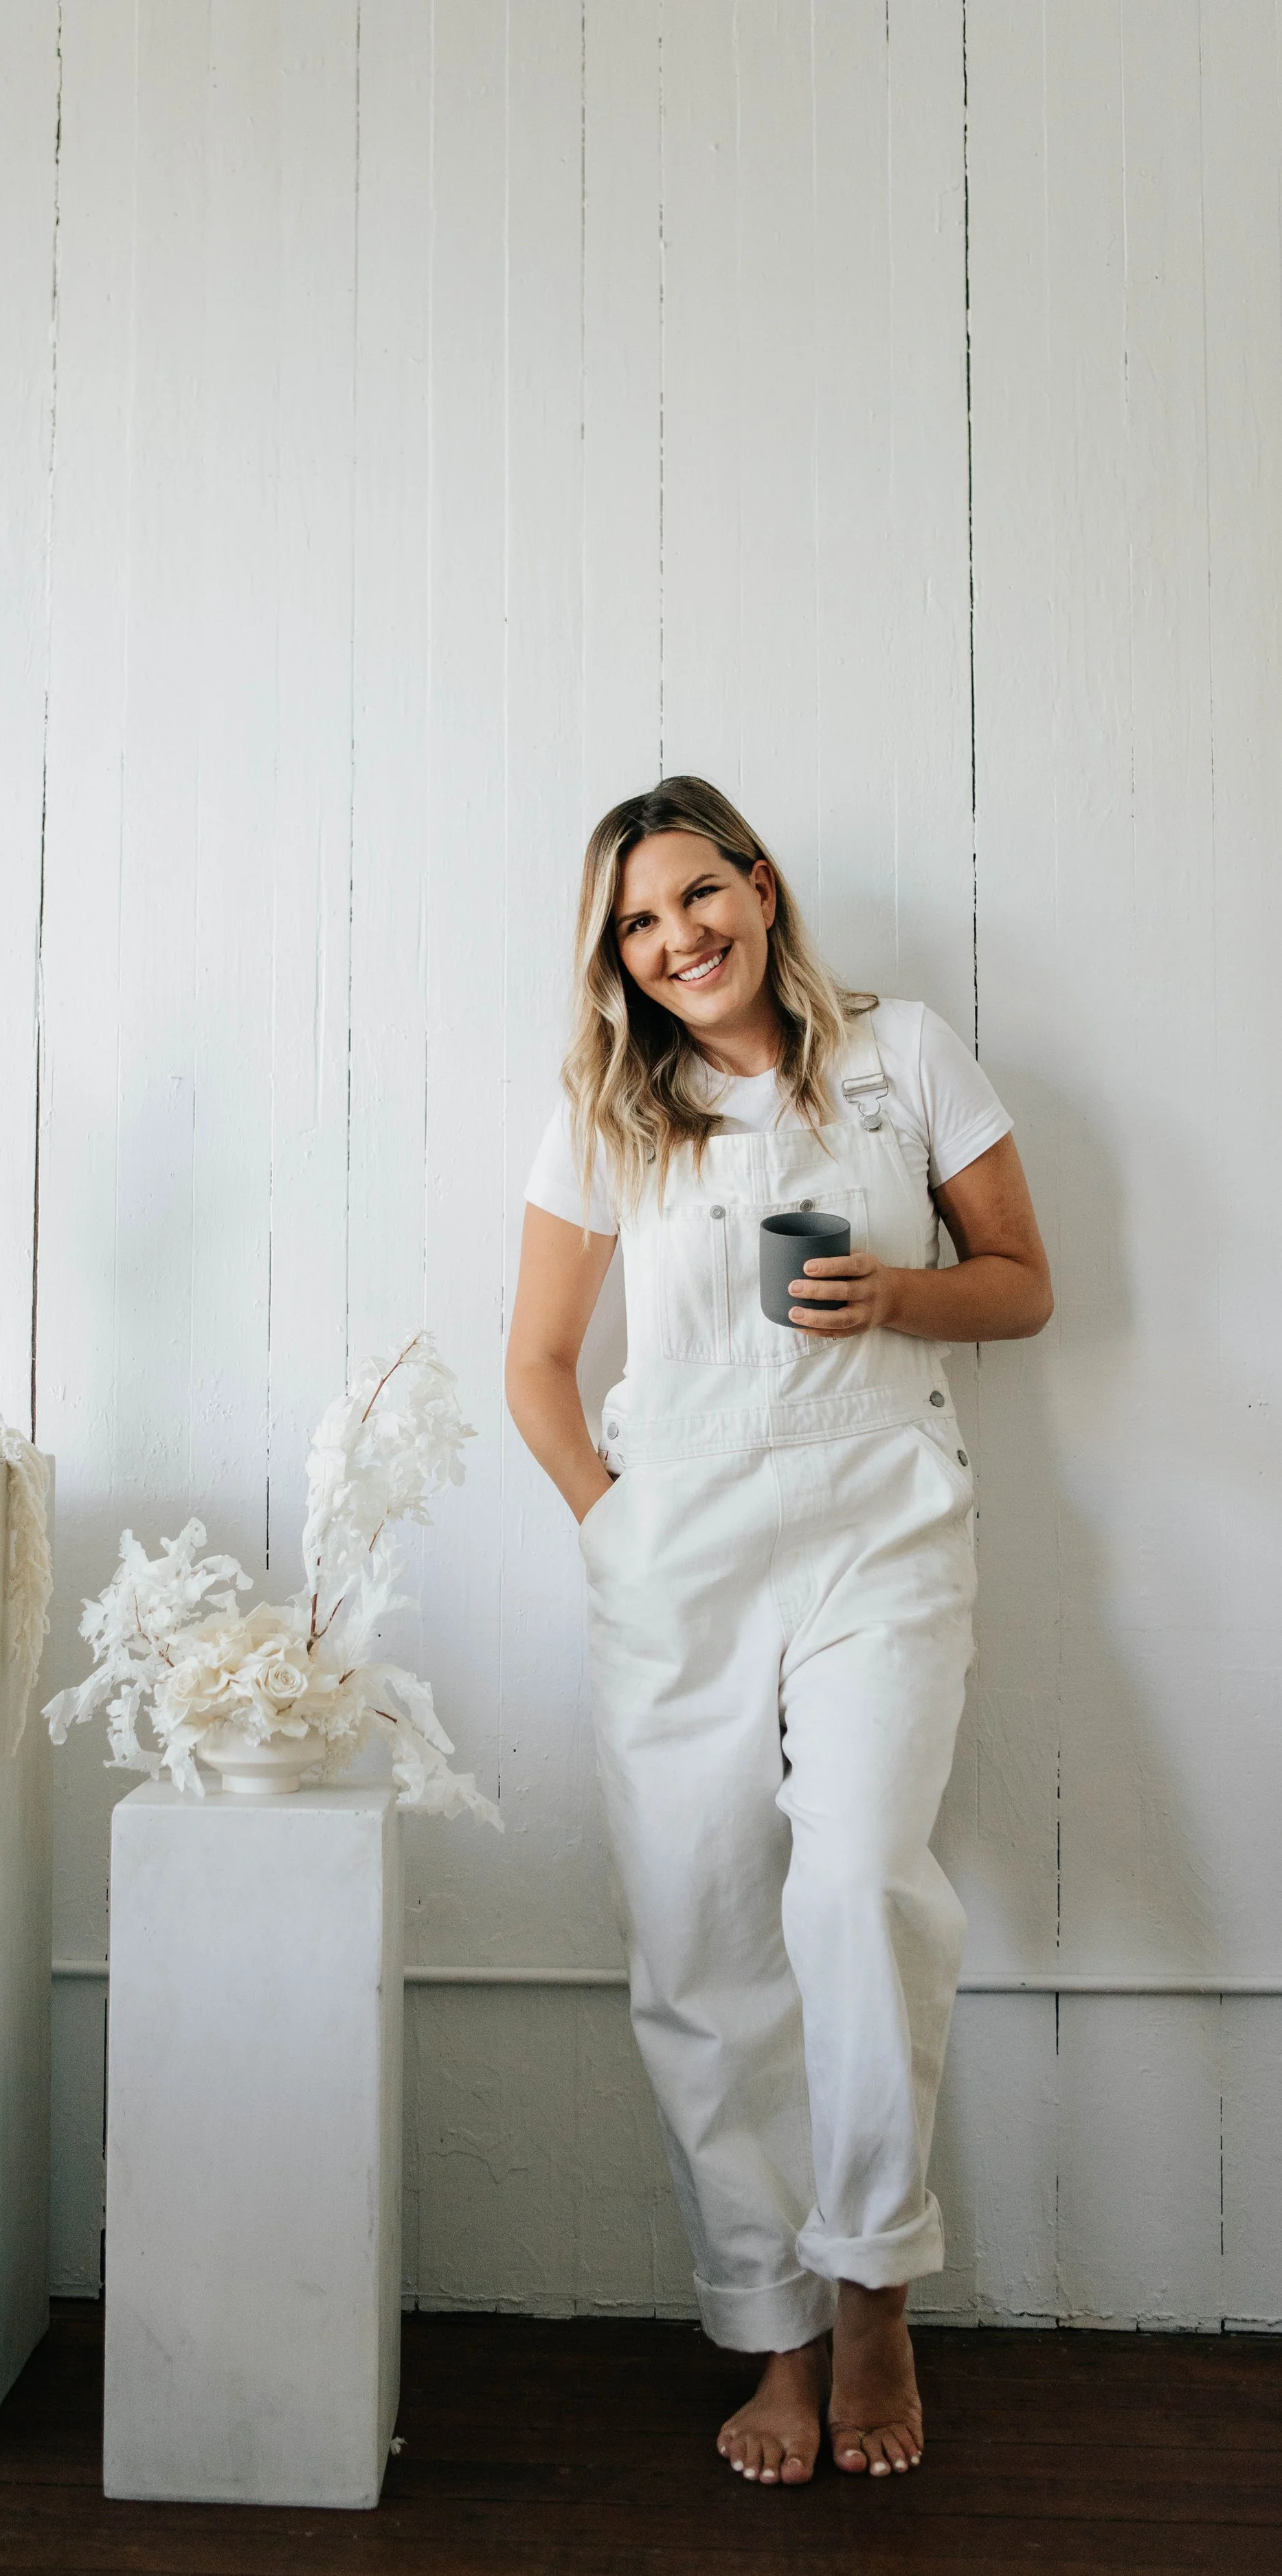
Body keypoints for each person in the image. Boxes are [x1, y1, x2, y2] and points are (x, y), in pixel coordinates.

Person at [506, 778, 1052, 2486]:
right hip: (680, 1555)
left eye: (694, 898)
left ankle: (873, 2280)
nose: (675, 942)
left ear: (757, 883)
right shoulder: (607, 1109)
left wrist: (893, 1294)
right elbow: (534, 1365)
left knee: (857, 1881)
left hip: (878, 1527)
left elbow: (1023, 1279)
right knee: (702, 1939)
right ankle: (772, 2331)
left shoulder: (900, 1058)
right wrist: (620, 1530)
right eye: (635, 926)